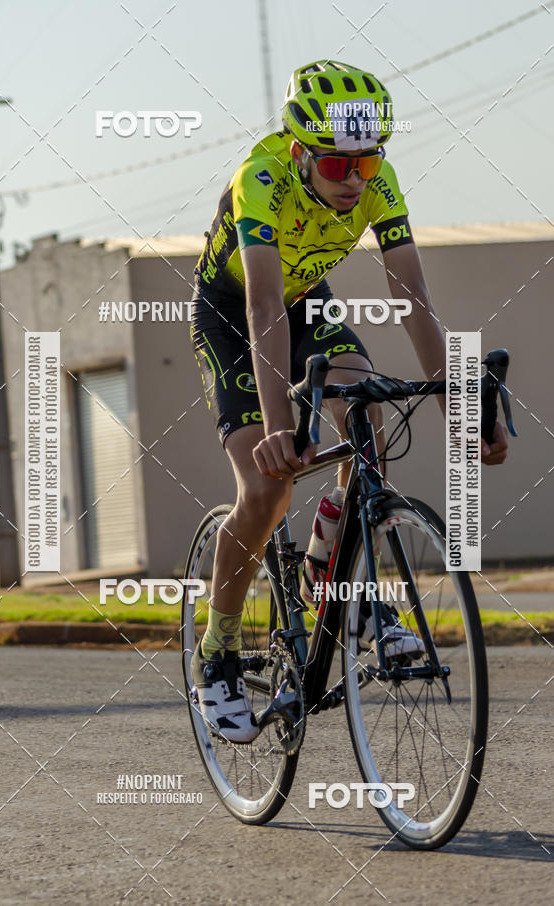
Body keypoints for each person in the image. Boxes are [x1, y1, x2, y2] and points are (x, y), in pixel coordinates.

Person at [189, 60, 508, 743]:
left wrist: (457, 401)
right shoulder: (263, 179)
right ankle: (215, 651)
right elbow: (264, 304)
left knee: (365, 407)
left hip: (303, 307)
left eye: (369, 164)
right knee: (268, 490)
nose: (357, 181)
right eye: (340, 168)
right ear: (301, 153)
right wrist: (279, 427)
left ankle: (335, 582)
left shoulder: (375, 181)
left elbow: (413, 298)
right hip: (235, 315)